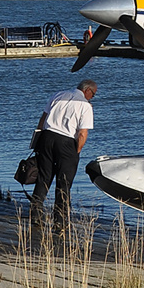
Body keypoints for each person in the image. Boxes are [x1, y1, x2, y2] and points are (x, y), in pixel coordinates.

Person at [30, 79, 97, 222]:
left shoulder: (58, 95)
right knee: (64, 182)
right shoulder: (85, 105)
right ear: (87, 91)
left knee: (44, 177)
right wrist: (77, 151)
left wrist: (38, 141)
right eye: (93, 95)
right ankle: (60, 220)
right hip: (66, 142)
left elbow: (42, 120)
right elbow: (82, 133)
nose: (92, 98)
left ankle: (35, 214)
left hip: (47, 137)